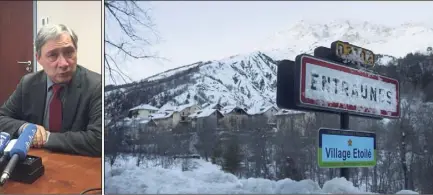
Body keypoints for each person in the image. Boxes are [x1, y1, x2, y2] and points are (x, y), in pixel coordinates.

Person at [0, 24, 101, 157]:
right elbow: (2, 118)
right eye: (53, 55)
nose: (64, 63)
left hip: (78, 164)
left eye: (69, 52)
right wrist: (24, 128)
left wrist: (46, 138)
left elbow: (98, 140)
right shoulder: (28, 83)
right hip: (35, 161)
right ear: (38, 58)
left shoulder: (96, 86)